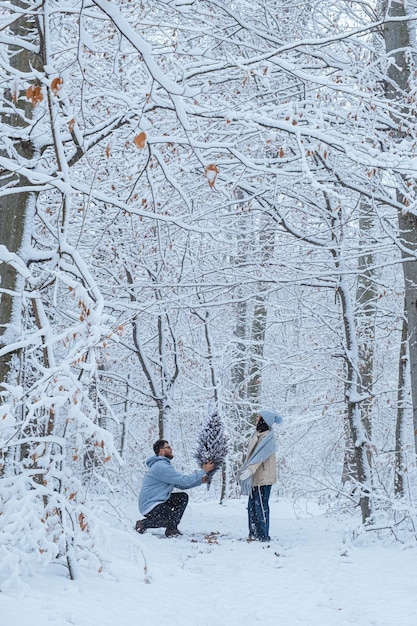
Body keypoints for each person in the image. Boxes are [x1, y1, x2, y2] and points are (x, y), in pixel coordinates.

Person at [136, 439, 215, 537]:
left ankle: (171, 529)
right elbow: (184, 480)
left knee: (182, 497)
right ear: (161, 451)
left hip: (159, 502)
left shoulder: (163, 465)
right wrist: (203, 470)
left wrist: (200, 481)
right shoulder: (161, 466)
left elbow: (181, 485)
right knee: (169, 518)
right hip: (150, 505)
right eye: (168, 447)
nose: (171, 449)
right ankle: (143, 524)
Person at [238, 409, 283, 542]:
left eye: (258, 417)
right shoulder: (257, 434)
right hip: (254, 477)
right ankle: (253, 533)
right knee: (252, 505)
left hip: (263, 477)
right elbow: (251, 457)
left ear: (264, 420)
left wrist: (249, 471)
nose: (256, 419)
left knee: (261, 506)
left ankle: (263, 535)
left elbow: (259, 457)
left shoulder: (268, 438)